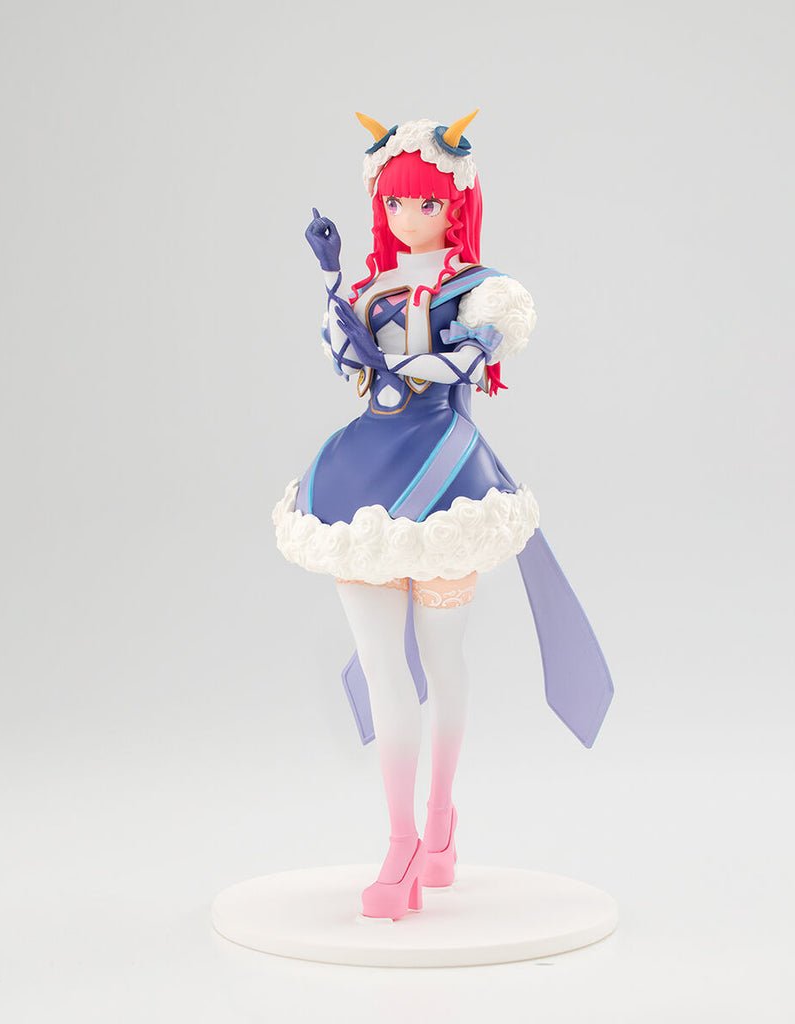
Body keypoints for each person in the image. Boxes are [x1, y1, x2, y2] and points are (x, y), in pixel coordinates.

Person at [273, 113, 612, 921]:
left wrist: (412, 358)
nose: (406, 217)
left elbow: (469, 359)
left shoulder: (482, 290)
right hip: (365, 467)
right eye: (393, 203)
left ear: (453, 203)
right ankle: (400, 842)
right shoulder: (370, 289)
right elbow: (343, 357)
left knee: (441, 659)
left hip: (444, 471)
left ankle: (439, 821)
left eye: (423, 202)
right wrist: (333, 278)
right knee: (383, 666)